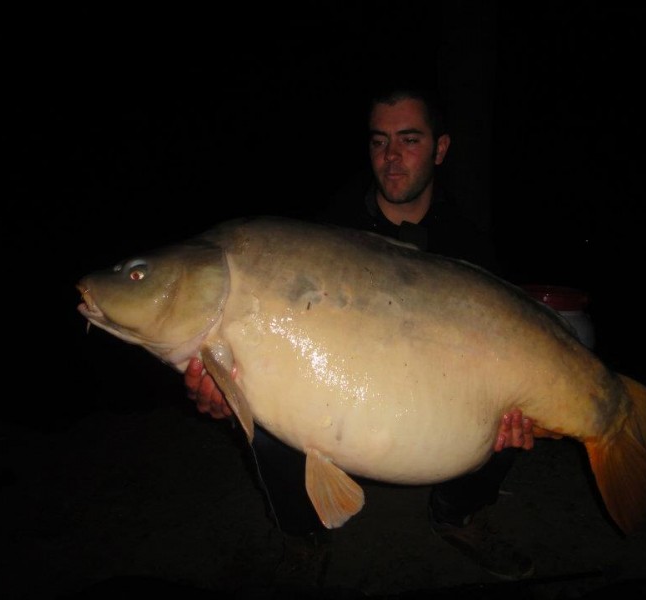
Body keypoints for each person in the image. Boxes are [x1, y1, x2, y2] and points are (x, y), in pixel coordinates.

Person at [184, 86, 536, 583]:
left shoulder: (469, 243)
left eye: (409, 140)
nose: (391, 156)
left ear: (440, 148)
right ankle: (302, 535)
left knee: (514, 429)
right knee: (264, 425)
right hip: (342, 393)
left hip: (437, 388)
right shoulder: (328, 232)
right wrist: (225, 389)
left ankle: (457, 515)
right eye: (379, 141)